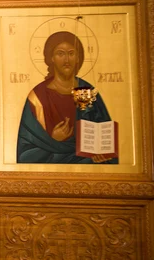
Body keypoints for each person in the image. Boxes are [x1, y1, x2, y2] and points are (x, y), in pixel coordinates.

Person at [17, 31, 117, 164]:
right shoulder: (38, 95)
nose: (66, 60)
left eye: (71, 53)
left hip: (82, 158)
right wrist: (53, 139)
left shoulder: (84, 90)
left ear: (77, 58)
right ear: (51, 57)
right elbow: (26, 147)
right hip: (49, 154)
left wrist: (100, 150)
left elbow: (99, 129)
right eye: (60, 53)